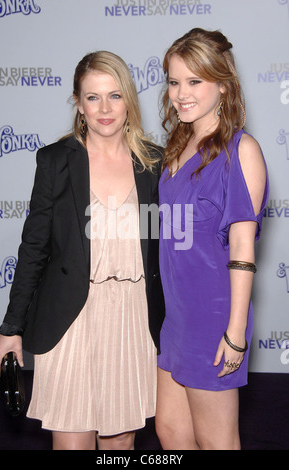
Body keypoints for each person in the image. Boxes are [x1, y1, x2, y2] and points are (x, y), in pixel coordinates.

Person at [0, 51, 164, 450]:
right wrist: (10, 328)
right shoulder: (55, 161)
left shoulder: (153, 163)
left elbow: (167, 250)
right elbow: (34, 246)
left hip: (132, 319)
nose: (105, 108)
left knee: (120, 445)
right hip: (70, 319)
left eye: (115, 95)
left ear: (129, 101)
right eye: (93, 97)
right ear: (78, 103)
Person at [155, 28, 269, 450]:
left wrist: (235, 332)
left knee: (216, 442)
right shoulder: (178, 143)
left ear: (223, 84)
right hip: (176, 316)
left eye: (194, 81)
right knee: (170, 433)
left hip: (213, 317)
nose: (181, 94)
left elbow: (242, 247)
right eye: (174, 81)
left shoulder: (241, 150)